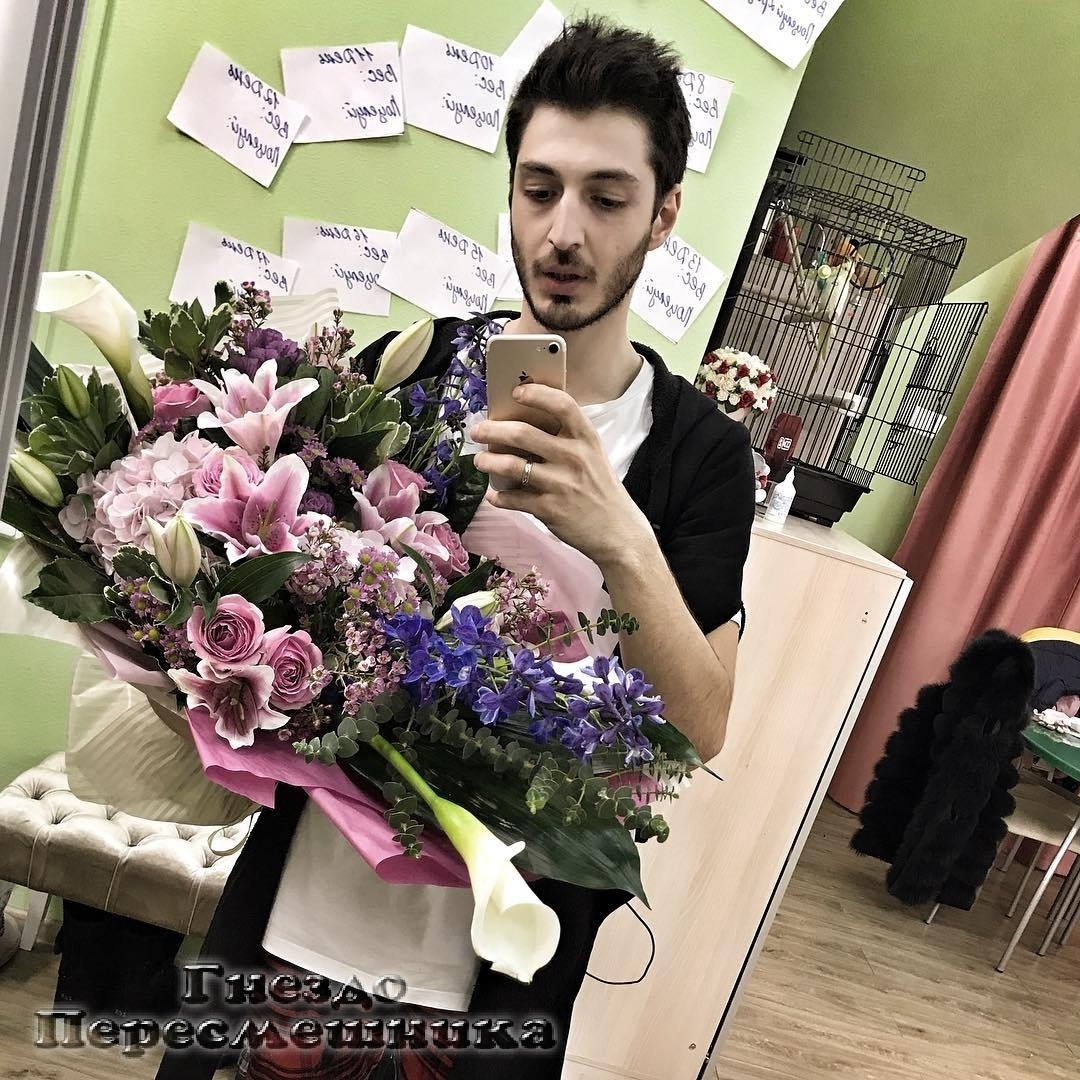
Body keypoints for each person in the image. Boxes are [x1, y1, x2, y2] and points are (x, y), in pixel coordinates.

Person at [156, 16, 754, 1080]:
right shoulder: (416, 368)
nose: (564, 232)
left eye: (607, 198)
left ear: (664, 213)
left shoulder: (700, 455)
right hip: (300, 914)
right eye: (540, 189)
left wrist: (618, 532)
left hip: (494, 976)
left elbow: (699, 723)